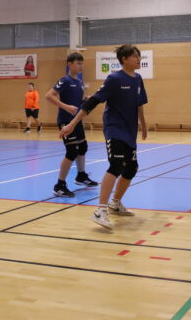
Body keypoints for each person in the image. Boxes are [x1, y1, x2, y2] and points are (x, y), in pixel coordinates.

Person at [60, 44, 148, 230]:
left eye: (139, 56)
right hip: (114, 129)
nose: (139, 59)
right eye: (135, 56)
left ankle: (115, 203)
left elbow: (139, 103)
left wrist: (143, 124)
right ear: (124, 59)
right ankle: (100, 210)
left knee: (131, 168)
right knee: (116, 165)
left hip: (130, 130)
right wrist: (72, 124)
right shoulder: (114, 79)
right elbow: (92, 102)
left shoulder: (138, 79)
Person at [46, 53, 98, 197]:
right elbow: (48, 96)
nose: (81, 66)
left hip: (76, 121)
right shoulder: (65, 80)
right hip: (66, 121)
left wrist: (85, 100)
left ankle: (81, 176)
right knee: (72, 151)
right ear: (69, 64)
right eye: (78, 63)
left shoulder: (80, 82)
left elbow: (76, 102)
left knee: (83, 147)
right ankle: (59, 185)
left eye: (82, 63)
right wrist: (66, 107)